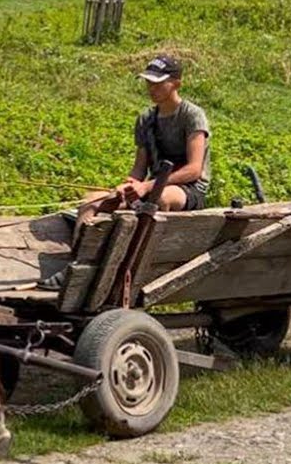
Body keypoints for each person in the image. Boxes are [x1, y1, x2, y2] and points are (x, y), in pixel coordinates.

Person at [38, 54, 211, 291]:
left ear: (176, 83)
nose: (152, 88)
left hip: (186, 190)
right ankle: (76, 265)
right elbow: (139, 168)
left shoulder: (191, 115)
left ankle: (136, 268)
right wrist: (129, 185)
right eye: (149, 82)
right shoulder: (146, 119)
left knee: (160, 198)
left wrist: (145, 187)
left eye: (158, 83)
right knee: (92, 201)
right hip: (150, 186)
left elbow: (194, 169)